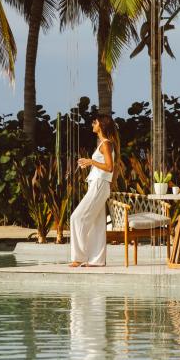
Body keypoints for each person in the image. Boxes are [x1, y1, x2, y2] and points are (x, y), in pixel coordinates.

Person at [69, 114, 120, 267]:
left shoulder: (105, 143)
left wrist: (91, 161)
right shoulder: (105, 143)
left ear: (101, 126)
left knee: (76, 217)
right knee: (97, 224)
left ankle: (78, 257)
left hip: (99, 185)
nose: (93, 124)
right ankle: (97, 261)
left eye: (95, 122)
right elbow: (111, 167)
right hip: (99, 185)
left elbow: (110, 167)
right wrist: (90, 164)